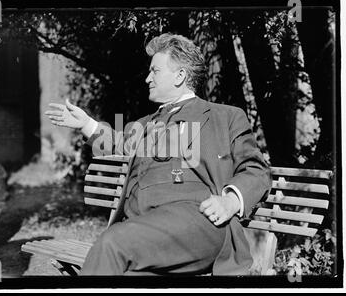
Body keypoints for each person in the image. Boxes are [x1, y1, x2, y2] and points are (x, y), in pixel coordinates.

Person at [45, 33, 272, 276]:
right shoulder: (145, 125)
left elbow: (256, 170)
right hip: (144, 229)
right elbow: (118, 144)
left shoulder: (224, 117)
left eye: (155, 71)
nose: (147, 78)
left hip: (198, 221)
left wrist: (230, 201)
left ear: (180, 76)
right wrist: (86, 124)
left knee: (112, 243)